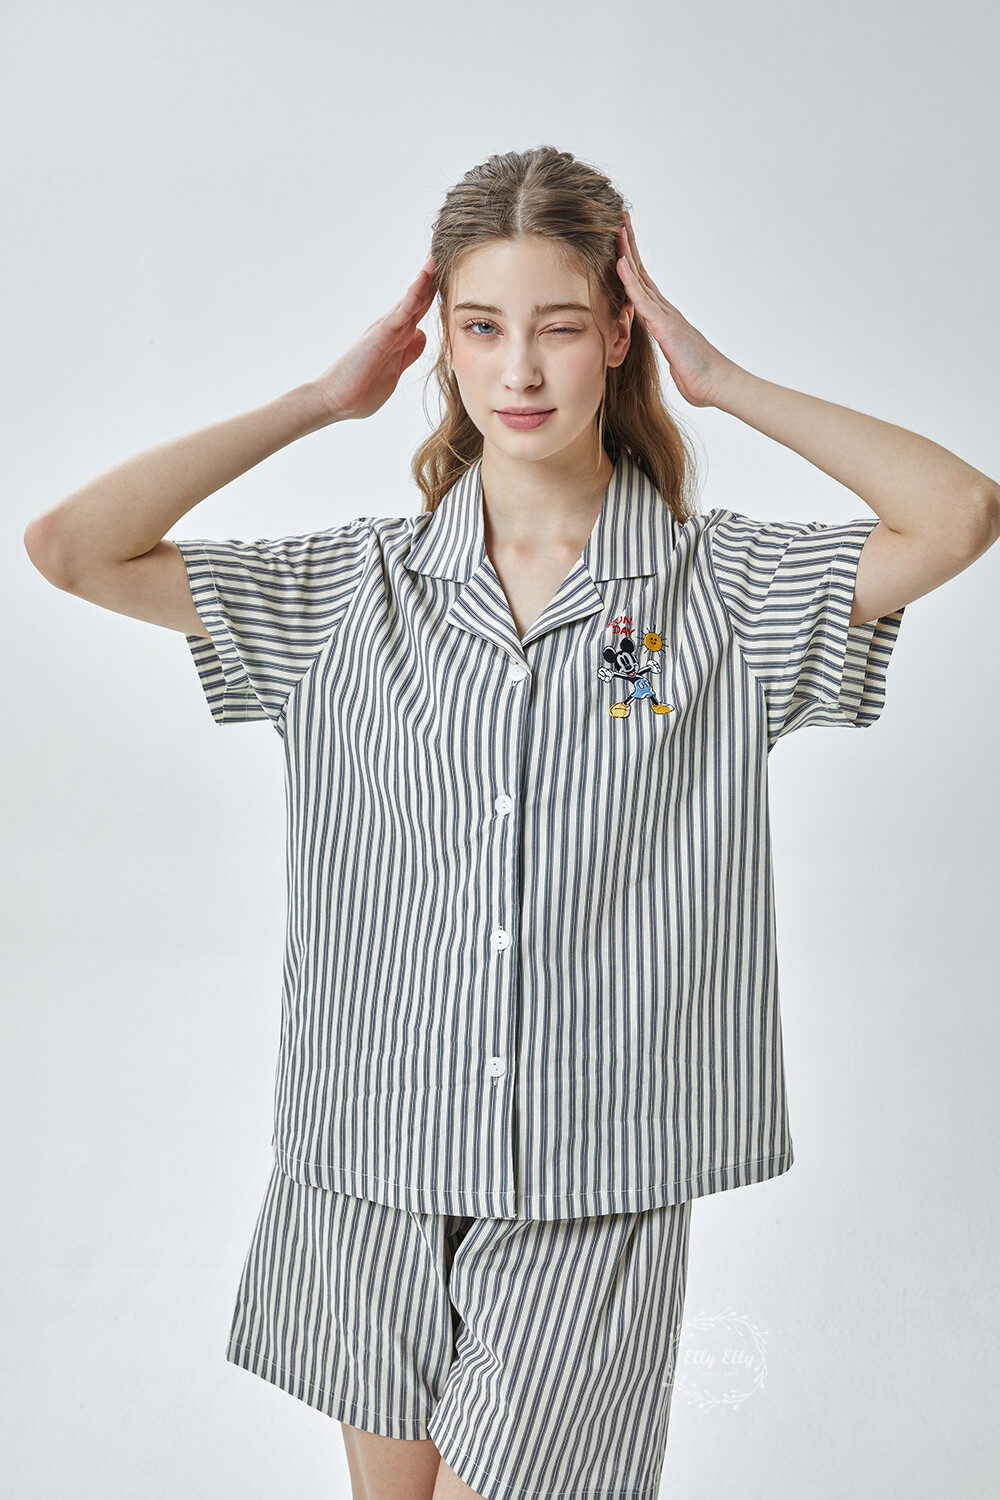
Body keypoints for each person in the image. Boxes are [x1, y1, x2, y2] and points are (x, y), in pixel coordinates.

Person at [23, 145, 1000, 1500]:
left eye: (560, 326)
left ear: (620, 334)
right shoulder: (350, 593)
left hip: (595, 1171)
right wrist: (318, 401)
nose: (521, 370)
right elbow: (72, 546)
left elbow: (959, 515)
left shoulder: (718, 592)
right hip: (369, 1153)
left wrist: (722, 379)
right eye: (482, 327)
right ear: (443, 344)